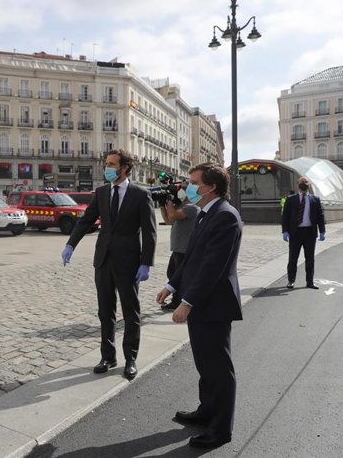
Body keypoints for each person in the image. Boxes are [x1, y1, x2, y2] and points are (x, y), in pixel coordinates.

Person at [156, 163, 243, 449]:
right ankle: (207, 410)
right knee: (204, 363)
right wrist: (171, 285)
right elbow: (191, 258)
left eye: (194, 182)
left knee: (218, 368)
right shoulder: (207, 213)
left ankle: (220, 429)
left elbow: (211, 267)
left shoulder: (226, 216)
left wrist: (187, 302)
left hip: (214, 303)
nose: (188, 187)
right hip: (201, 300)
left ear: (211, 187)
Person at [61, 149, 156, 380]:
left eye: (112, 164)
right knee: (105, 311)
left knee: (130, 312)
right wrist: (71, 244)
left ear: (124, 168)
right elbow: (86, 220)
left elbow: (150, 232)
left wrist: (146, 263)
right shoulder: (102, 192)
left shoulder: (140, 195)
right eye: (106, 163)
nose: (107, 168)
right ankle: (108, 356)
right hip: (103, 260)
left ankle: (130, 358)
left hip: (129, 262)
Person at [281, 176, 326, 289]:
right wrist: (285, 231)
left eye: (306, 182)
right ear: (298, 185)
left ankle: (309, 282)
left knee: (310, 259)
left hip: (310, 233)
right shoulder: (290, 199)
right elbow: (285, 216)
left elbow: (320, 216)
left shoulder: (315, 199)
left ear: (309, 185)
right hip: (295, 233)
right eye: (302, 182)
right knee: (293, 258)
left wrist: (322, 231)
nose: (304, 184)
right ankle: (291, 281)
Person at [159, 197, 200, 310]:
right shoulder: (180, 208)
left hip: (185, 250)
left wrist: (170, 203)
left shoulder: (192, 208)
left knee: (181, 278)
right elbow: (168, 220)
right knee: (172, 274)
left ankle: (182, 302)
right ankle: (176, 301)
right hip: (177, 250)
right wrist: (163, 205)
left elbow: (172, 216)